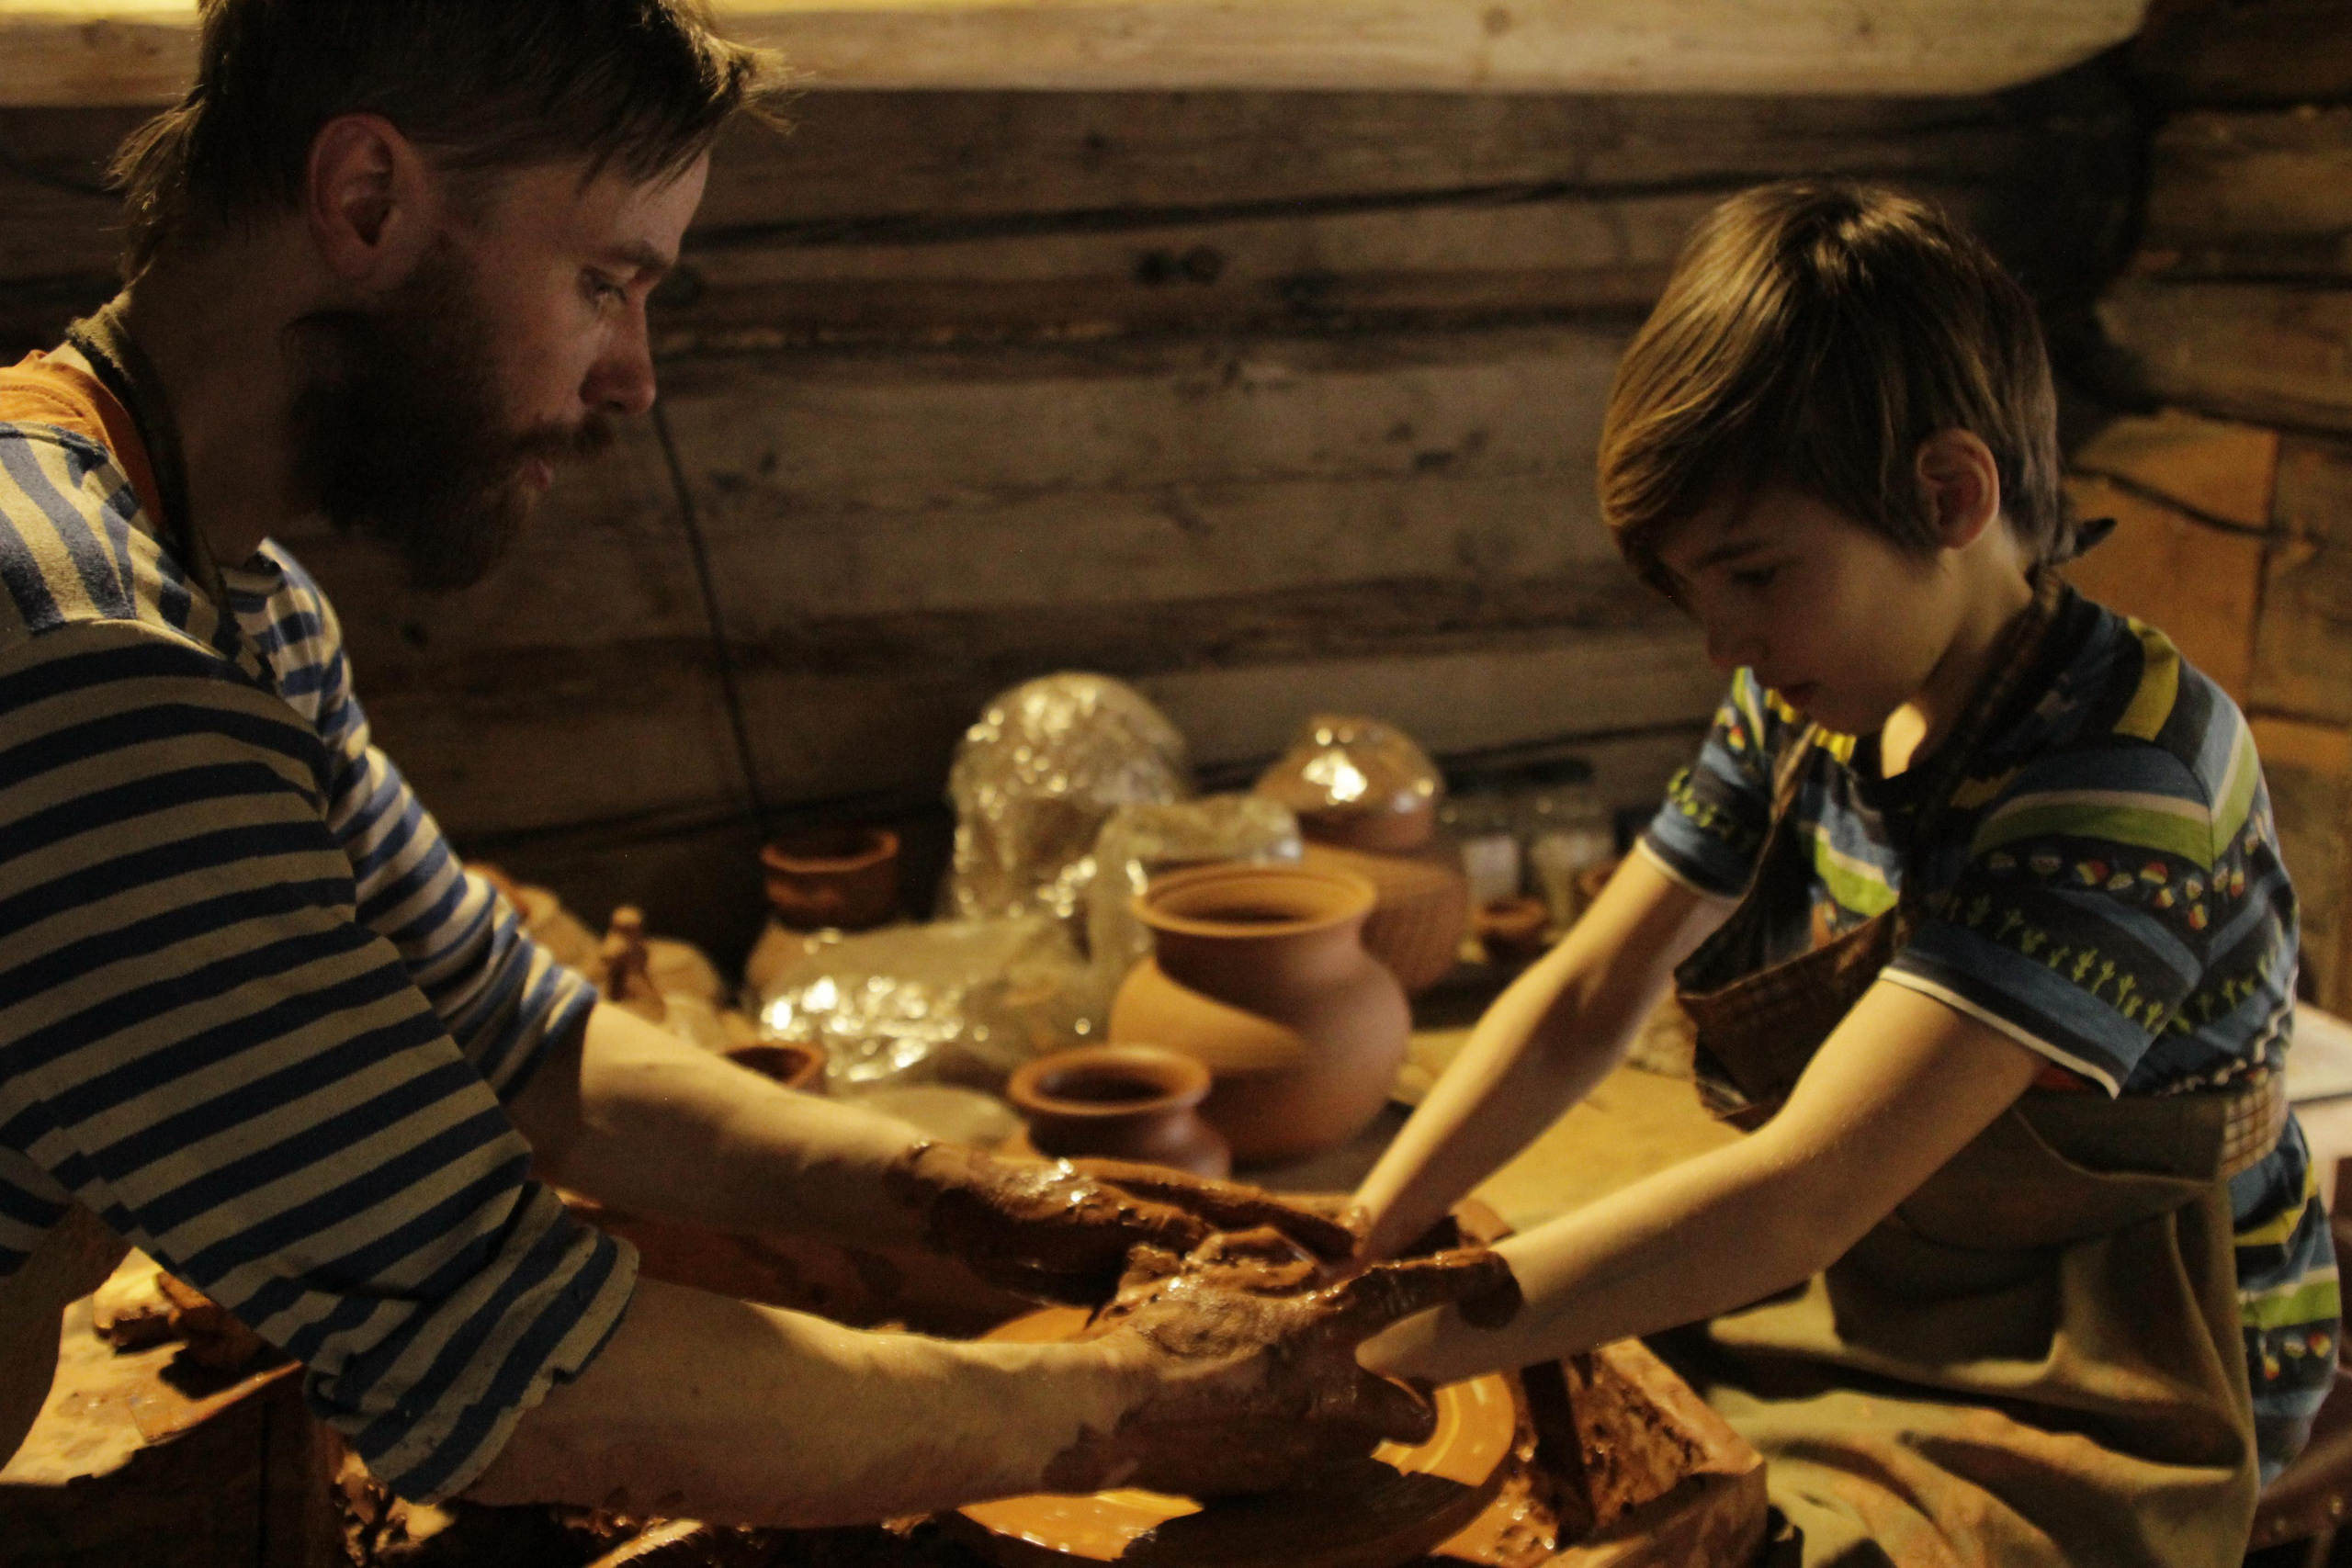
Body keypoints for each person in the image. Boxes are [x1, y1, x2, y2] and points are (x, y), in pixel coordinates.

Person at [0, 0, 1502, 1525]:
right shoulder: (84, 655)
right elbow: (530, 1379)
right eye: (604, 282)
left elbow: (524, 1047)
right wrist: (1142, 1408)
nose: (632, 379)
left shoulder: (233, 601)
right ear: (368, 199)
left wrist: (984, 1203)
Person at [1347, 181, 2340, 1566]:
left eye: (1753, 576)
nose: (1722, 648)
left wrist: (1374, 1351)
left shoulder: (2122, 779)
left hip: (2134, 1350)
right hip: (1892, 1260)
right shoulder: (1813, 697)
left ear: (1948, 494)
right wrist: (1358, 1239)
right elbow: (1589, 993)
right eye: (1700, 596)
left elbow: (1799, 1193)